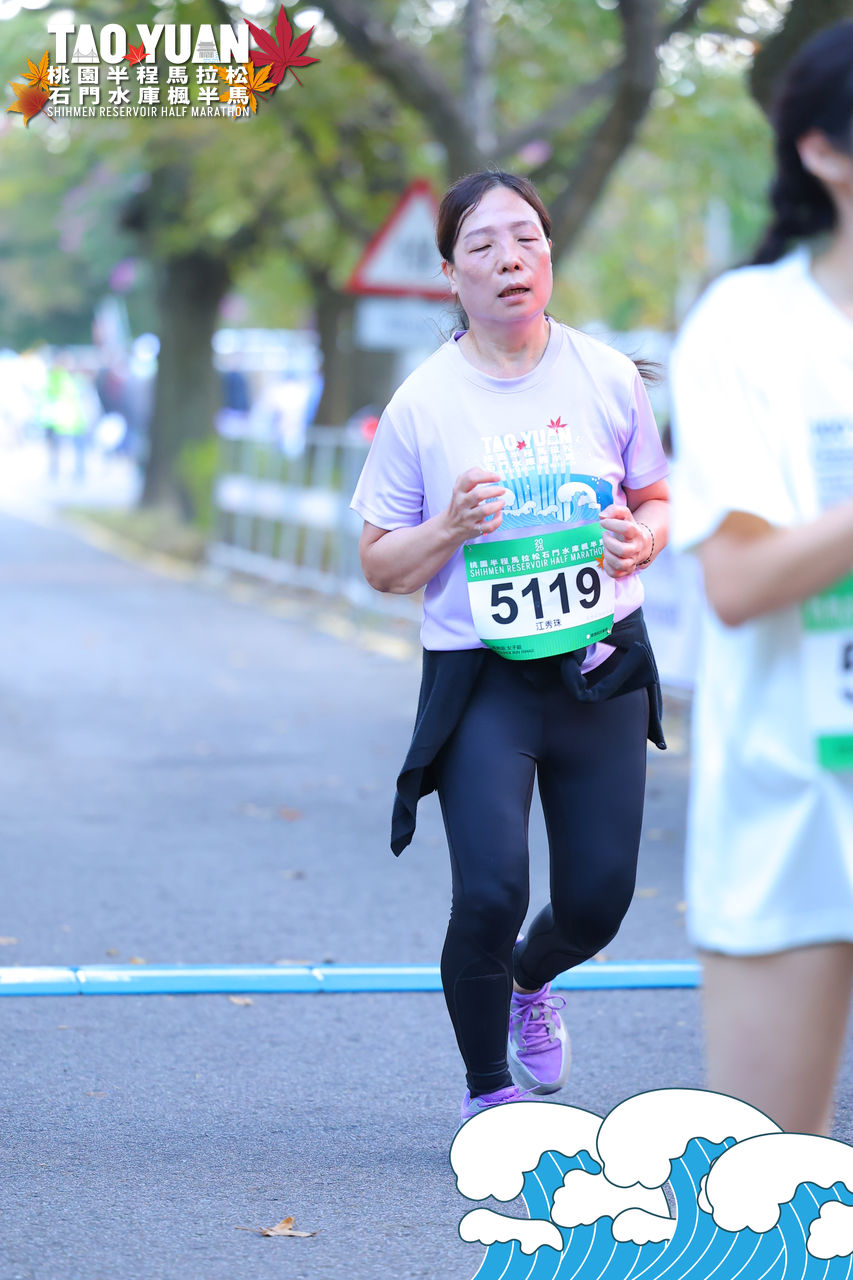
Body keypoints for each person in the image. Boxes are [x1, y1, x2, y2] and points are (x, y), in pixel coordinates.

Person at [351, 170, 670, 1122]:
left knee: (597, 902)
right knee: (489, 892)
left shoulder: (606, 376)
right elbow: (380, 563)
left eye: (525, 238)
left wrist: (641, 539)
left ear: (549, 255)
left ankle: (532, 980)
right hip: (483, 679)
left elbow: (655, 497)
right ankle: (487, 1092)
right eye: (482, 245)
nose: (508, 259)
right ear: (450, 274)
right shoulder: (422, 404)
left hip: (599, 664)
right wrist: (448, 527)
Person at [670, 21, 853, 1137]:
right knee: (770, 1190)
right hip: (794, 797)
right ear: (823, 150)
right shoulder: (747, 325)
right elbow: (737, 581)